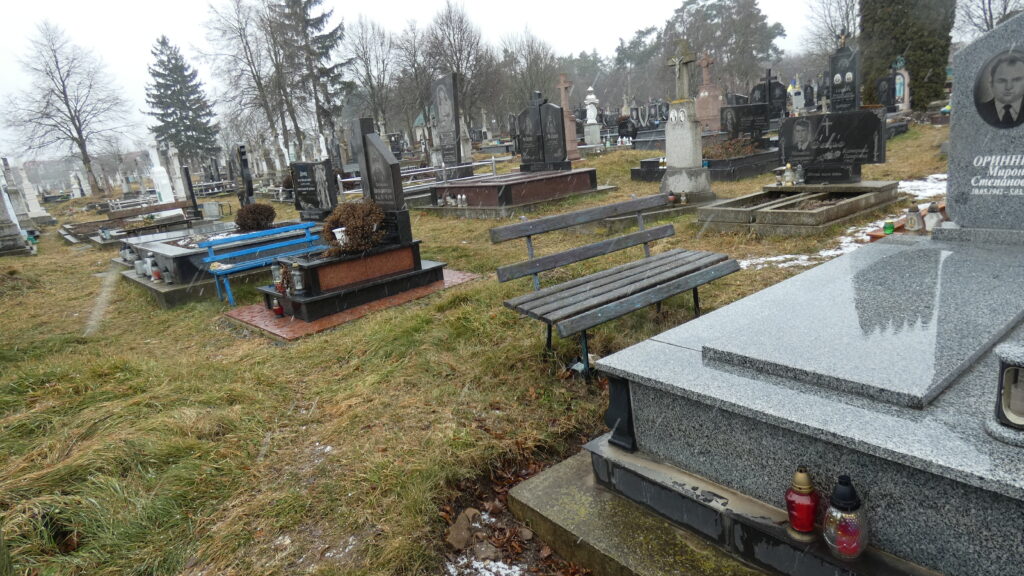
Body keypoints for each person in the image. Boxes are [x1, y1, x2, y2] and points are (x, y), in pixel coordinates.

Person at [977, 53, 1024, 128]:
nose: (1008, 87)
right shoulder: (982, 109)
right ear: (991, 83)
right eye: (1002, 81)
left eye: (1016, 80)